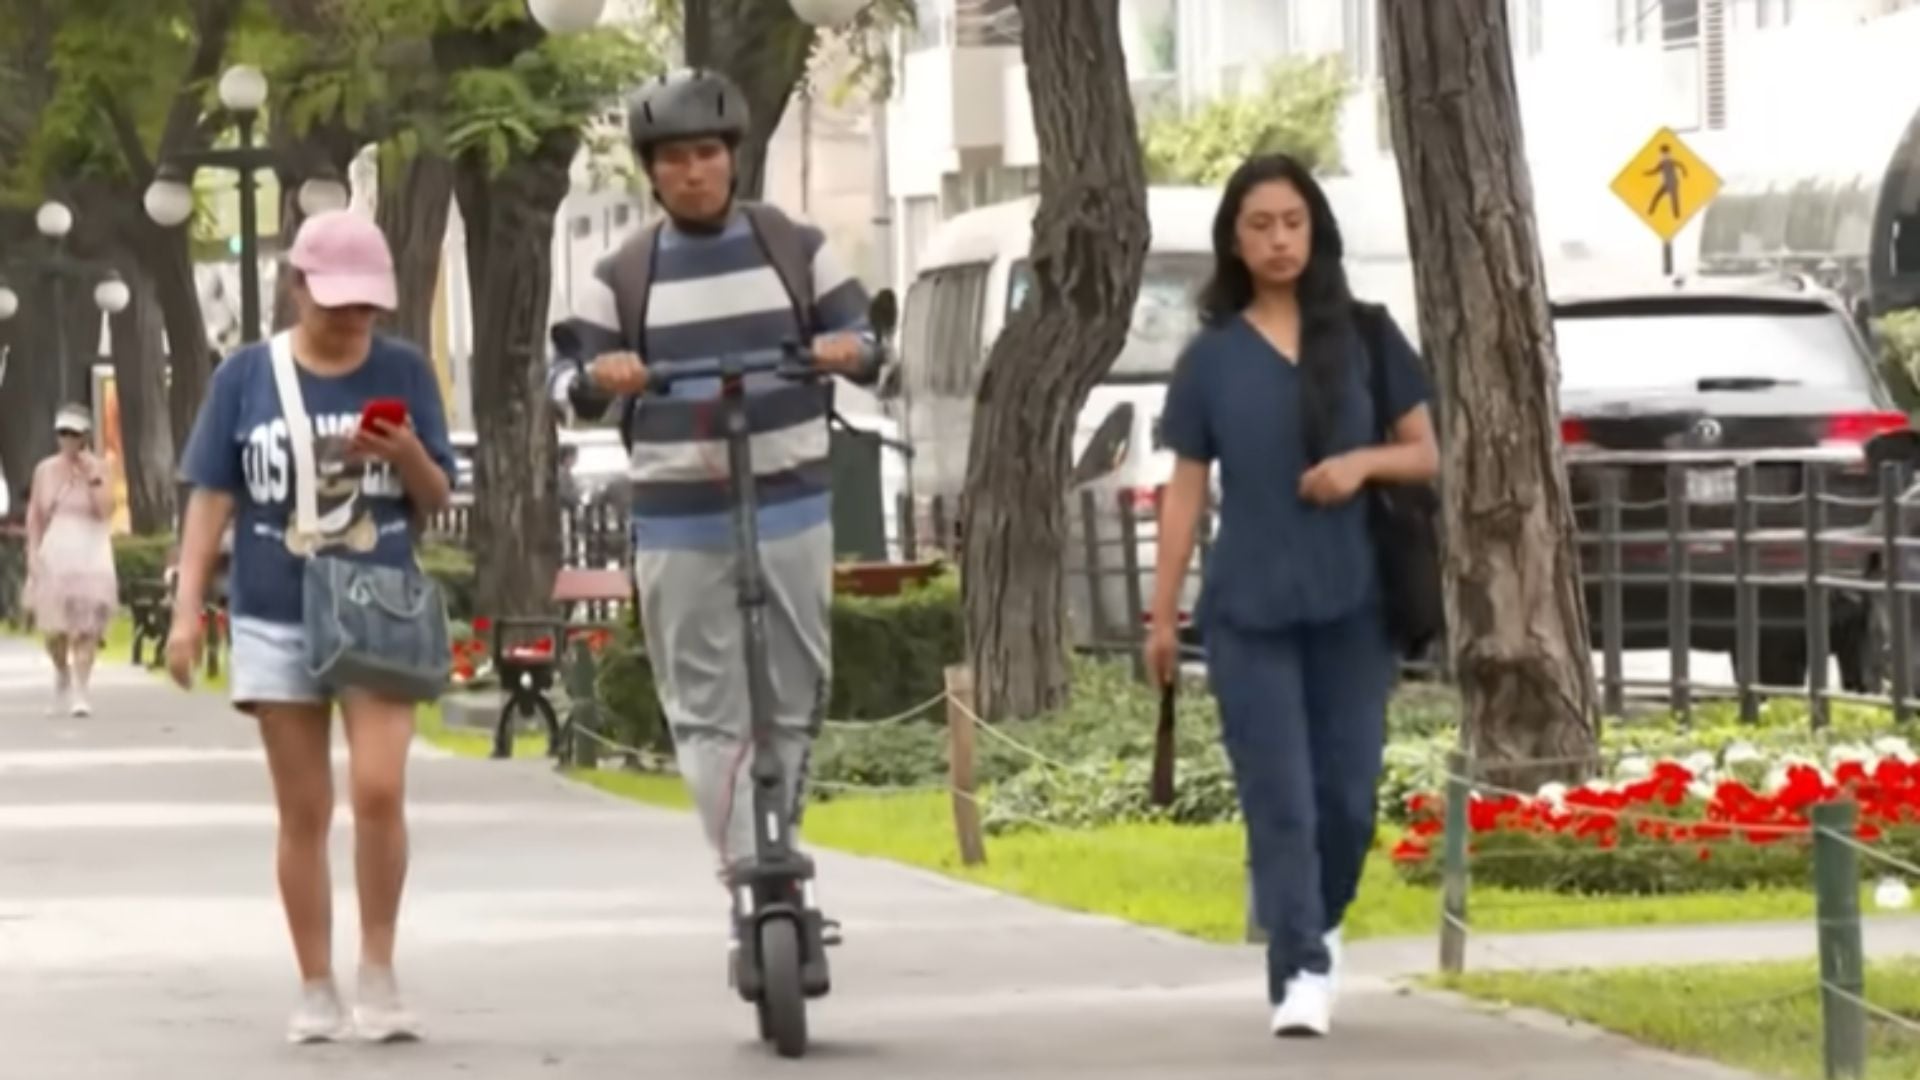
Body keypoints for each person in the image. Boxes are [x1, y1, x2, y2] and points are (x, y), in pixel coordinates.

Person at [547, 68, 879, 896]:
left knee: (797, 688)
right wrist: (604, 376)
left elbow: (871, 342)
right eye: (673, 159)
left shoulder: (793, 247)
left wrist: (850, 351)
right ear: (651, 172)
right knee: (703, 705)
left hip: (792, 504)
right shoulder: (624, 271)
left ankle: (782, 840)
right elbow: (564, 381)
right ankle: (749, 863)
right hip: (678, 518)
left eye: (706, 154)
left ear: (733, 158)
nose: (693, 172)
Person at [1143, 155, 1439, 1039]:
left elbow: (1425, 452)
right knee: (1281, 799)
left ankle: (1321, 920)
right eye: (1260, 224)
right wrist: (1163, 613)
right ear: (1235, 240)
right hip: (1249, 612)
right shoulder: (1212, 360)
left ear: (1315, 231)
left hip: (1353, 605)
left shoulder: (1369, 335)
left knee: (1347, 799)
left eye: (1293, 222)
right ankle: (1301, 968)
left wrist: (1359, 464)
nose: (1278, 239)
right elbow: (1185, 493)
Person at [167, 210, 457, 1045]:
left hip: (379, 606)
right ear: (297, 287)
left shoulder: (404, 369)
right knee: (304, 809)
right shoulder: (245, 378)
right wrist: (188, 611)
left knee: (379, 788)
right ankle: (316, 983)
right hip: (274, 606)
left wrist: (404, 456)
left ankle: (379, 968)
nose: (351, 318)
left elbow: (439, 495)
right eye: (335, 301)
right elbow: (212, 496)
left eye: (366, 304)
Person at [24, 404, 119, 717]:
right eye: (63, 433)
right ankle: (61, 671)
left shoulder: (101, 468)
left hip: (90, 548)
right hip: (57, 548)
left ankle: (81, 688)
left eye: (74, 434)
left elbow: (106, 511)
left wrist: (92, 477)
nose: (68, 440)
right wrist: (33, 556)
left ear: (85, 437)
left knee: (86, 627)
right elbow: (36, 516)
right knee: (56, 628)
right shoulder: (45, 470)